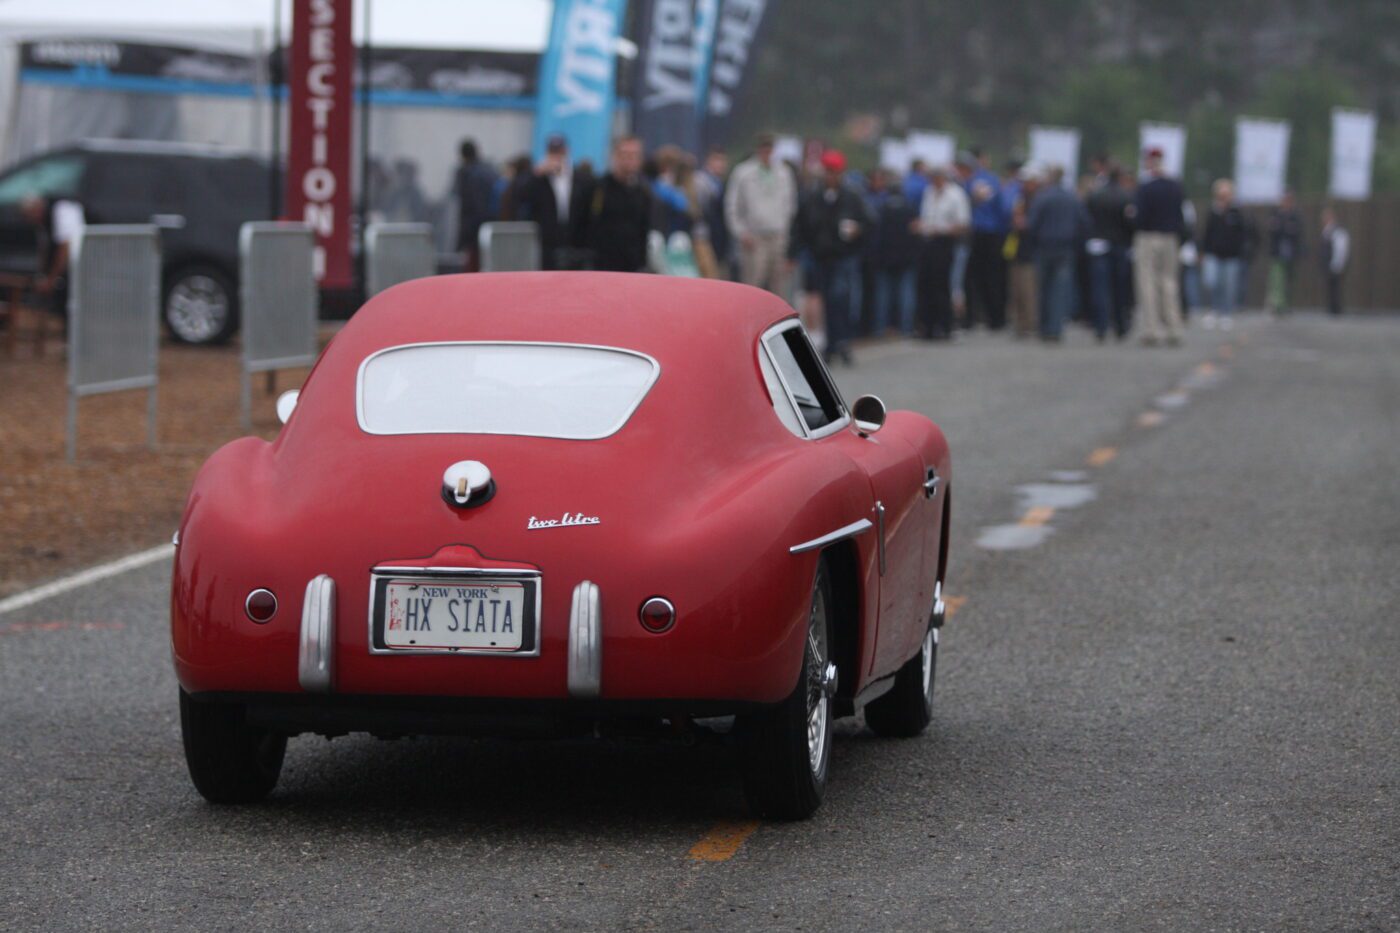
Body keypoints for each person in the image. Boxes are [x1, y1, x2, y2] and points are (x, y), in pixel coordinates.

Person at [789, 150, 869, 365]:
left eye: (834, 172)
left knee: (840, 299)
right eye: (828, 172)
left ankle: (841, 341)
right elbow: (800, 225)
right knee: (821, 300)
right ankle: (830, 343)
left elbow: (868, 222)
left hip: (843, 256)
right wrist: (794, 252)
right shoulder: (813, 196)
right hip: (818, 255)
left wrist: (857, 231)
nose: (830, 176)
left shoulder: (852, 196)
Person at [725, 133, 798, 295]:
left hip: (778, 236)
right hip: (754, 237)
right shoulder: (743, 172)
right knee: (753, 287)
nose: (767, 153)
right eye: (764, 149)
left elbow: (790, 205)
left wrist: (786, 231)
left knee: (779, 288)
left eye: (770, 149)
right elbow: (731, 205)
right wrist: (740, 232)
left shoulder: (784, 172)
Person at [1026, 166, 1088, 342]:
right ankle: (1056, 328)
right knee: (1060, 290)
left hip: (1044, 247)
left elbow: (1032, 223)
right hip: (1066, 248)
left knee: (1043, 288)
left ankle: (1044, 327)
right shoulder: (1072, 198)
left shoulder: (1042, 197)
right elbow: (1084, 223)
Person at [1131, 147, 1186, 347]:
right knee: (1169, 282)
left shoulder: (1146, 188)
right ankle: (1173, 327)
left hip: (1148, 236)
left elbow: (1138, 216)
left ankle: (1152, 329)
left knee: (1147, 283)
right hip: (1170, 237)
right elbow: (1181, 215)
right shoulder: (1175, 186)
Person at [913, 165, 969, 341]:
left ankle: (944, 325)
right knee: (925, 284)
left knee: (941, 285)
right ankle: (927, 326)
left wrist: (941, 229)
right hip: (927, 241)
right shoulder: (928, 192)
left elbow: (962, 224)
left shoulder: (956, 194)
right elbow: (925, 216)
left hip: (944, 242)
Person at [580, 136, 652, 273]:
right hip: (601, 267)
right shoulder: (598, 188)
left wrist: (643, 262)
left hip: (632, 268)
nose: (631, 159)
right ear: (615, 156)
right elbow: (583, 222)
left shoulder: (643, 192)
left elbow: (644, 229)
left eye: (635, 155)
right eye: (626, 154)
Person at [956, 147, 1008, 330]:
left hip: (975, 234)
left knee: (972, 278)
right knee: (993, 277)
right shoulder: (993, 180)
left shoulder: (968, 182)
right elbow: (1002, 209)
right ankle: (996, 319)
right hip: (993, 234)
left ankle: (971, 318)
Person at [524, 134, 590, 270]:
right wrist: (536, 174)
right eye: (553, 152)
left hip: (574, 238)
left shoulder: (579, 177)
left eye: (559, 152)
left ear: (566, 152)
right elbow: (521, 195)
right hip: (548, 239)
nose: (557, 157)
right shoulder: (539, 178)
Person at [1085, 166, 1134, 341]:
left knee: (1100, 288)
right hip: (1119, 245)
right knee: (1120, 288)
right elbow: (1130, 223)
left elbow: (1087, 219)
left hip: (1099, 244)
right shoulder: (1126, 196)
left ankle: (1100, 326)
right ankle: (1120, 324)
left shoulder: (1096, 196)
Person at [871, 170, 920, 336]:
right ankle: (905, 327)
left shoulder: (882, 208)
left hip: (885, 258)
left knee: (883, 296)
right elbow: (915, 232)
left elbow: (877, 235)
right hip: (906, 257)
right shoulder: (909, 208)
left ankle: (880, 327)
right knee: (906, 294)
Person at [21, 194, 83, 319]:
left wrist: (52, 278)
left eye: (30, 215)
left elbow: (65, 247)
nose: (30, 220)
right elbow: (44, 248)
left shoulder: (62, 209)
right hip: (66, 269)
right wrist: (43, 275)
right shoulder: (43, 222)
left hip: (80, 266)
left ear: (37, 208)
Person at [1200, 178, 1250, 331]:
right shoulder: (1213, 211)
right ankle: (1214, 309)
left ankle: (1226, 313)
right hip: (1214, 254)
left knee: (1229, 285)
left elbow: (1243, 234)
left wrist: (1242, 251)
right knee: (1212, 282)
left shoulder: (1236, 212)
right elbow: (1207, 233)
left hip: (1232, 256)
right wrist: (1203, 251)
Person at [1004, 166, 1041, 339]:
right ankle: (1019, 323)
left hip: (1031, 251)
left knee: (1028, 290)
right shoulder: (1020, 199)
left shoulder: (1039, 200)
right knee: (1016, 289)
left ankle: (1030, 323)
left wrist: (1025, 223)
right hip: (1017, 248)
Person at [453, 139, 498, 271]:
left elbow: (469, 206)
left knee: (472, 268)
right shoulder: (488, 171)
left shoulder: (467, 174)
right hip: (489, 224)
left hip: (473, 228)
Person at [694, 148, 731, 279]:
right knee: (709, 275)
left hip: (718, 237)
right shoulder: (701, 182)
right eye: (717, 160)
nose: (720, 164)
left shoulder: (720, 183)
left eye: (722, 161)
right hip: (703, 236)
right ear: (708, 161)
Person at [1266, 190, 1304, 315]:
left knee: (1288, 280)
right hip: (1277, 253)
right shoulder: (1276, 214)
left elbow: (1297, 232)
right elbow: (1273, 230)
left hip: (1291, 253)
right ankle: (1277, 304)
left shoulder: (1295, 215)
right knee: (1277, 280)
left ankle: (1286, 304)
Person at [1320, 206, 1350, 316]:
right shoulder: (1327, 231)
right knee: (1331, 288)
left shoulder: (1337, 230)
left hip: (1334, 265)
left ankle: (1336, 308)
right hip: (1328, 265)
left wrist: (1336, 264)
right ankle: (1332, 307)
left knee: (1336, 288)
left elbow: (1340, 249)